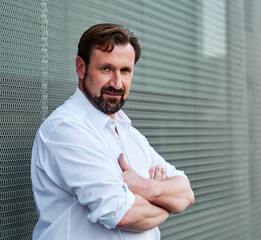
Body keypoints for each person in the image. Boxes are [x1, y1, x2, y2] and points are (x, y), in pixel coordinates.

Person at [31, 23, 194, 240]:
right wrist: (166, 204)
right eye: (106, 69)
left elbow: (186, 193)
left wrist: (146, 188)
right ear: (81, 68)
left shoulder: (129, 134)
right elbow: (123, 214)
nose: (117, 83)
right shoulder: (66, 129)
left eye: (125, 71)